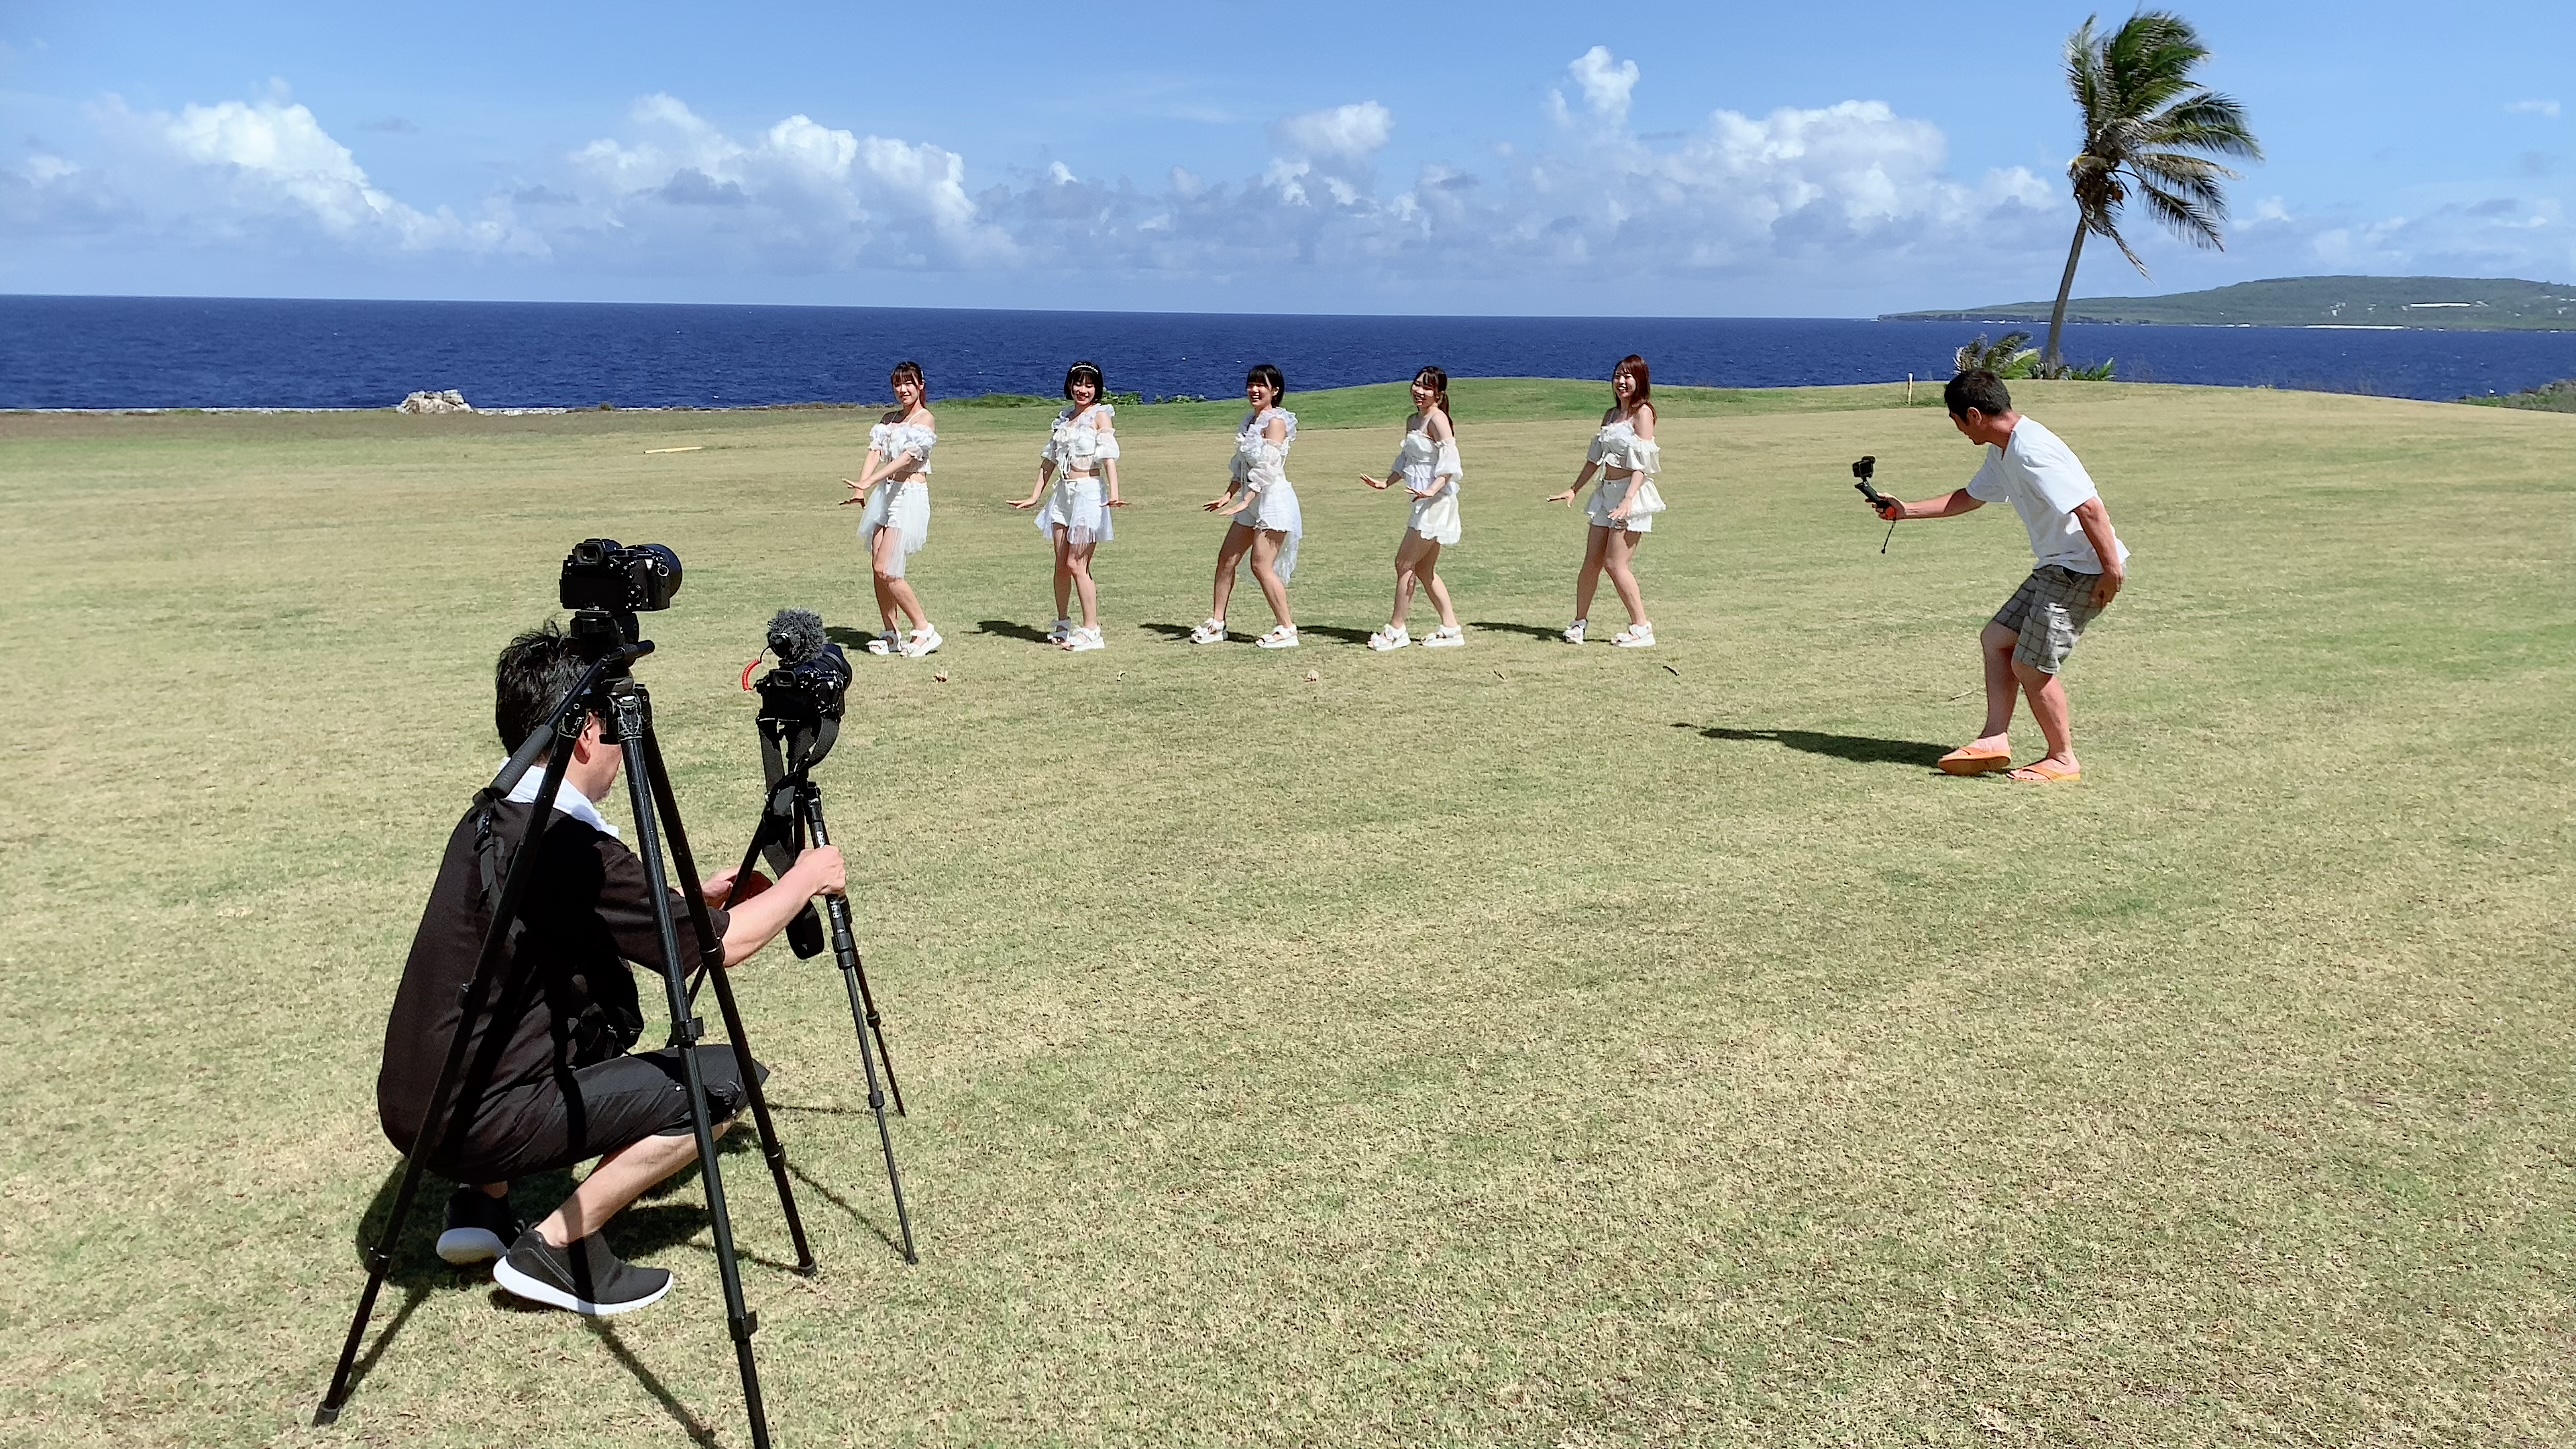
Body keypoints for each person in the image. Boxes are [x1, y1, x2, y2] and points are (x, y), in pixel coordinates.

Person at [375, 622, 848, 1316]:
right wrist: (806, 875)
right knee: (720, 1081)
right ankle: (556, 1247)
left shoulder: (494, 812)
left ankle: (481, 1201)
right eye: (617, 738)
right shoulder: (571, 845)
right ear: (589, 731)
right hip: (470, 1117)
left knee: (604, 1015)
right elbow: (718, 948)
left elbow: (595, 913)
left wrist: (685, 899)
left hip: (416, 1106)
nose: (626, 758)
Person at [1871, 369, 2130, 784]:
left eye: (1955, 419)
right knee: (1997, 639)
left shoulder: (2031, 451)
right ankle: (1994, 739)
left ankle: (2063, 759)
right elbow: (1970, 497)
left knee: (2033, 667)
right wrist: (1906, 510)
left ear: (1973, 415)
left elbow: (2090, 509)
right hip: (2056, 566)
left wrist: (2111, 572)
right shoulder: (2004, 449)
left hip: (2081, 570)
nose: (1956, 428)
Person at [1546, 355, 1666, 647]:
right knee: (1592, 562)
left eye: (1628, 376)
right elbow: (1594, 459)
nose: (1622, 381)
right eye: (1618, 375)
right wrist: (1574, 489)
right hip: (1605, 494)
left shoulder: (1643, 413)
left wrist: (1628, 500)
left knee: (1616, 564)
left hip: (1631, 496)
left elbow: (1642, 465)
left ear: (1640, 380)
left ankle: (1641, 627)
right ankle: (1579, 623)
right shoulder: (1611, 415)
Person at [1009, 361, 1126, 652]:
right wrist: (1035, 495)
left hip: (1089, 493)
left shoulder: (1100, 416)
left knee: (1078, 563)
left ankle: (1092, 630)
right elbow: (1049, 461)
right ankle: (1063, 623)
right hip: (1063, 494)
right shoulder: (1064, 420)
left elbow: (1109, 456)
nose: (1082, 390)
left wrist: (1114, 492)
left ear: (1097, 388)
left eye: (1088, 384)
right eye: (1077, 383)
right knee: (1061, 564)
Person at [1191, 364, 1303, 649]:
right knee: (1226, 559)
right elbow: (1242, 466)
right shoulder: (1250, 421)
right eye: (1251, 384)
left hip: (1272, 500)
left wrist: (1246, 500)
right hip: (1251, 502)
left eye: (1261, 385)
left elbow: (1267, 467)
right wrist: (1228, 495)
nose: (1254, 390)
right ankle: (1217, 624)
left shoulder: (1277, 422)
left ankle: (1287, 628)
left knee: (1261, 566)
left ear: (1275, 391)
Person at [1357, 365, 1466, 650]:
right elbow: (1406, 460)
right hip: (1422, 501)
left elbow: (1450, 464)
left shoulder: (1438, 419)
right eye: (1417, 384)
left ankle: (1397, 630)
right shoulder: (1412, 420)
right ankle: (1451, 629)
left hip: (1437, 502)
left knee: (1404, 562)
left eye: (1427, 387)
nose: (1419, 391)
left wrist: (1431, 489)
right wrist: (1386, 482)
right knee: (1424, 569)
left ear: (1439, 394)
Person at [841, 361, 943, 658]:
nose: (903, 389)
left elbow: (907, 459)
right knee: (877, 568)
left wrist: (872, 479)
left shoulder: (925, 421)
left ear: (921, 384)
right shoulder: (888, 420)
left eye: (909, 382)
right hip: (885, 495)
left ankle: (924, 630)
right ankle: (890, 633)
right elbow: (875, 452)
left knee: (888, 568)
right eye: (898, 383)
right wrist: (861, 487)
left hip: (908, 495)